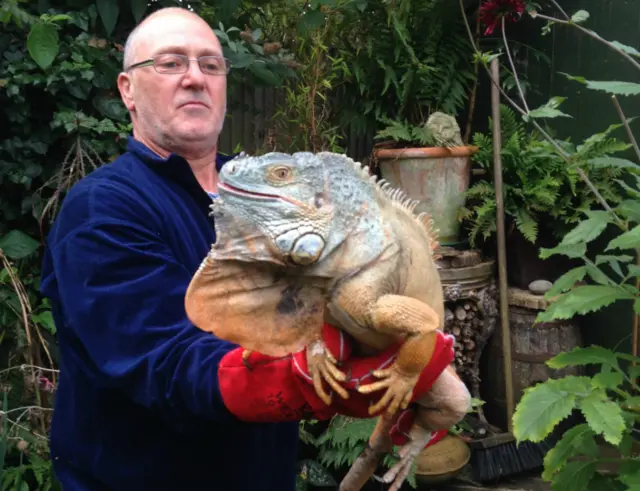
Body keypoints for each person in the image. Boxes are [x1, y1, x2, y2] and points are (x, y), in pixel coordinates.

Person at [40, 7, 456, 491]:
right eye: (171, 63)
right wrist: (293, 381)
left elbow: (321, 296)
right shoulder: (102, 208)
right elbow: (163, 363)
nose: (195, 77)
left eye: (210, 65)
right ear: (127, 89)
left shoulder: (265, 189)